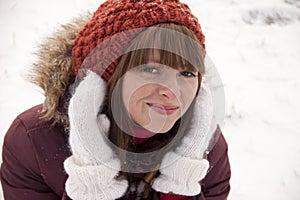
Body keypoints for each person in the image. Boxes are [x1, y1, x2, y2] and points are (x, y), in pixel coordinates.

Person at [0, 0, 231, 199]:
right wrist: (92, 186)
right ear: (105, 77)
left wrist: (180, 185)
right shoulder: (33, 141)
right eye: (151, 69)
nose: (172, 91)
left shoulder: (204, 148)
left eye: (187, 73)